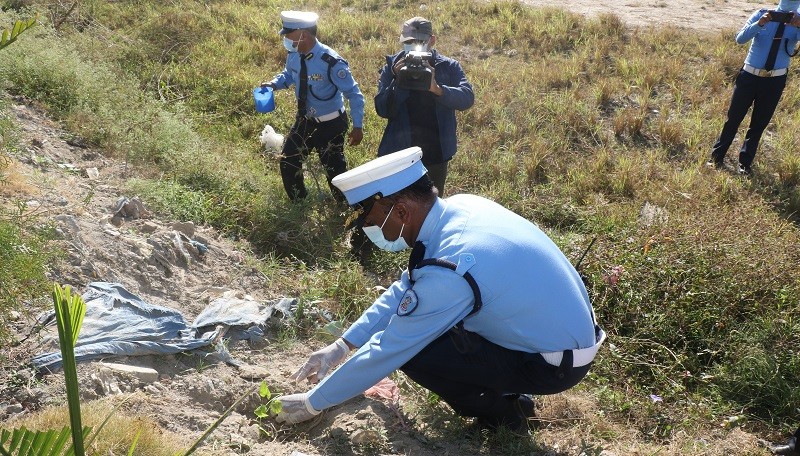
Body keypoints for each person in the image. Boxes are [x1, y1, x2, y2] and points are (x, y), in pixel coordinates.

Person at [275, 147, 605, 433]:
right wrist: (342, 345)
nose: (371, 230)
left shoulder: (451, 268)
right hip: (565, 336)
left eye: (371, 222)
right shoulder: (461, 208)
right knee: (429, 326)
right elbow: (406, 289)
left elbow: (390, 347)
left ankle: (507, 413)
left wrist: (313, 402)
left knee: (416, 351)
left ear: (401, 211)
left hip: (553, 365)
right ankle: (505, 388)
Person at [261, 11, 365, 201]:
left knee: (334, 171)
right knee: (288, 161)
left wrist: (358, 126)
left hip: (331, 124)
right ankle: (299, 202)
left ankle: (345, 207)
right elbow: (289, 75)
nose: (286, 39)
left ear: (303, 35)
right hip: (305, 121)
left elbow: (354, 94)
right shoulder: (294, 54)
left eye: (289, 35)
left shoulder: (330, 61)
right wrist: (274, 84)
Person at [373, 17, 474, 196]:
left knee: (433, 201)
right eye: (409, 42)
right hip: (401, 152)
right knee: (401, 201)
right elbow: (383, 109)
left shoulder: (447, 66)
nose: (414, 46)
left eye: (420, 42)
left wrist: (438, 89)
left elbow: (467, 98)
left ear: (432, 40)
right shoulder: (393, 66)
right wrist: (398, 80)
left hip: (436, 152)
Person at [706, 0, 800, 176]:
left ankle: (744, 164)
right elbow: (740, 39)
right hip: (749, 76)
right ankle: (716, 157)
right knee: (733, 118)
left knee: (759, 124)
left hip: (774, 80)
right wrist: (760, 23)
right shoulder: (761, 14)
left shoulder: (797, 21)